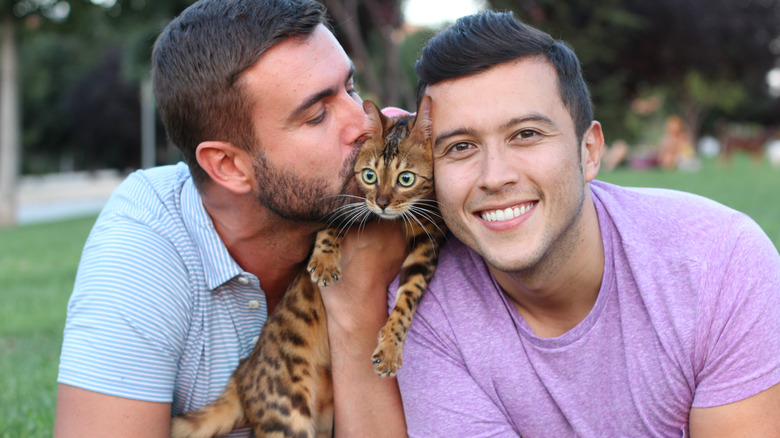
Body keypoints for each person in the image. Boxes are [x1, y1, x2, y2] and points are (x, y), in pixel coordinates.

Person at [392, 11, 780, 437]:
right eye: (461, 147)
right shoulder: (424, 312)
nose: (494, 176)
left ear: (589, 152)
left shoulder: (720, 261)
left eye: (526, 134)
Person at [53, 0, 408, 436]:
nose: (366, 124)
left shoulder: (393, 206)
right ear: (228, 166)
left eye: (351, 89)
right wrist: (357, 302)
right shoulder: (145, 248)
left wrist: (359, 308)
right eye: (317, 114)